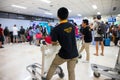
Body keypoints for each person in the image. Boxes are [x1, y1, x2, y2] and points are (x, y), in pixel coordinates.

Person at [45, 7, 78, 80]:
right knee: (71, 71)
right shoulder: (72, 26)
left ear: (58, 16)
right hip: (74, 53)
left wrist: (58, 42)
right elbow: (71, 37)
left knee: (54, 65)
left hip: (64, 54)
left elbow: (53, 42)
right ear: (67, 16)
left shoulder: (56, 29)